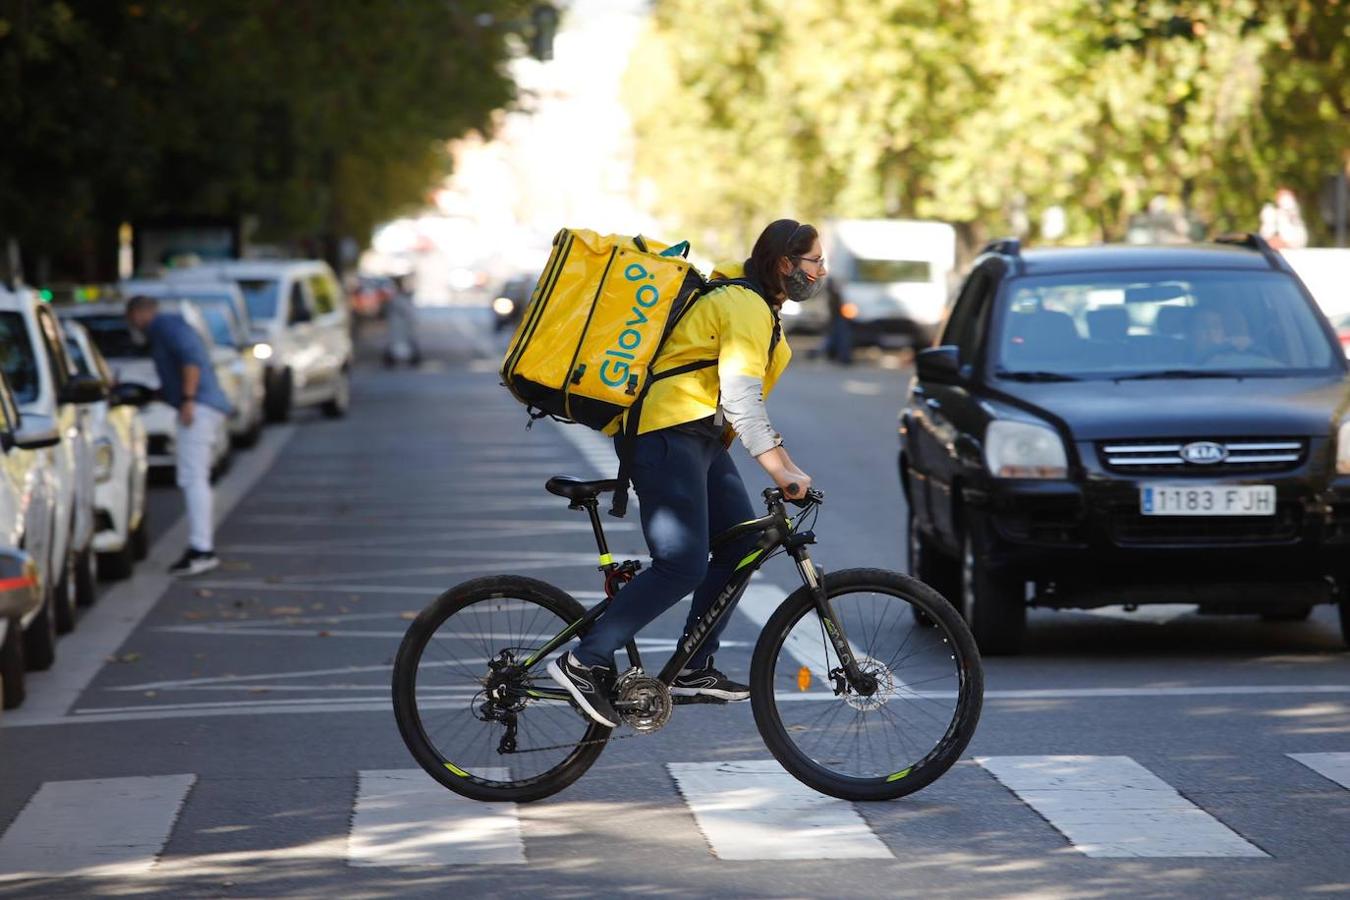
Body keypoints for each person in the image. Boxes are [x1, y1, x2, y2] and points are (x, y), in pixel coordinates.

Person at [549, 219, 822, 727]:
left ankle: (693, 667)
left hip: (697, 436)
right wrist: (779, 470)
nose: (821, 271)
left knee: (741, 544)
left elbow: (739, 406)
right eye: (815, 262)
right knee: (681, 563)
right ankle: (584, 659)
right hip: (665, 431)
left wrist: (787, 466)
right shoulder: (743, 305)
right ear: (786, 264)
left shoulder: (757, 306)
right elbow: (741, 398)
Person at [125, 296, 232, 576]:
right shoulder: (167, 328)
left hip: (198, 407)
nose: (133, 326)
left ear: (139, 313)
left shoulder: (165, 327)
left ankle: (202, 549)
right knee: (193, 476)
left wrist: (187, 399)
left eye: (132, 319)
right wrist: (160, 394)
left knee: (193, 477)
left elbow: (191, 361)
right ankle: (201, 546)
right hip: (200, 404)